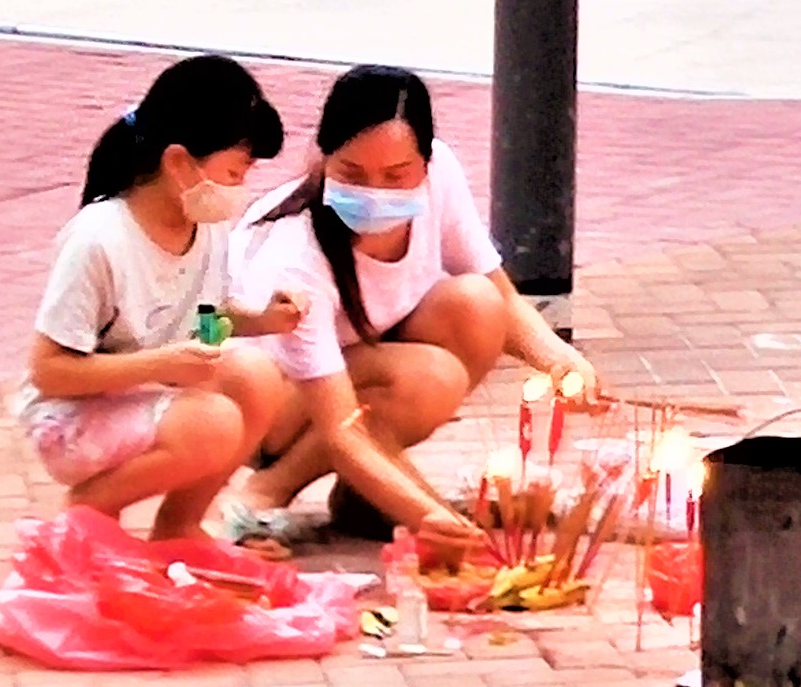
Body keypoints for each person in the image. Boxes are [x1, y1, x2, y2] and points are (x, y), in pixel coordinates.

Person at [227, 65, 602, 541]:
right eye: (352, 173)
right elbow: (341, 426)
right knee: (428, 378)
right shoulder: (297, 258)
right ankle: (269, 489)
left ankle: (368, 495)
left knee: (475, 304)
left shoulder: (440, 173)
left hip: (355, 369)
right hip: (271, 406)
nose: (374, 192)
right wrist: (432, 517)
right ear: (322, 158)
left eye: (396, 175)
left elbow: (497, 291)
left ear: (424, 165)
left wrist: (562, 363)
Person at [21, 56, 304, 541]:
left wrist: (262, 321)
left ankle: (180, 526)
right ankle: (86, 514)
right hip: (73, 417)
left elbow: (208, 314)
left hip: (150, 388)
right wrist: (160, 364)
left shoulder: (206, 224)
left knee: (257, 378)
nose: (241, 189)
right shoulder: (100, 239)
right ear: (179, 163)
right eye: (235, 173)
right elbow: (51, 370)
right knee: (212, 423)